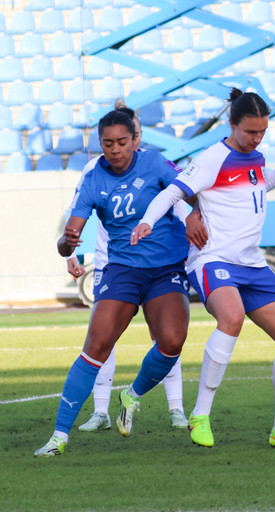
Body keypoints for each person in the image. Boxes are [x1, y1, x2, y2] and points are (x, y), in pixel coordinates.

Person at [131, 88, 275, 449]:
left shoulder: (255, 156)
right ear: (232, 124)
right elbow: (172, 193)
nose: (256, 138)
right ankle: (200, 415)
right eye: (250, 131)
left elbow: (257, 186)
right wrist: (147, 222)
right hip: (213, 258)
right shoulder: (211, 159)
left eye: (262, 132)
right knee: (231, 317)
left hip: (251, 262)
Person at [34, 107, 191, 457]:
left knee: (171, 341)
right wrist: (67, 244)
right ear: (100, 144)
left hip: (165, 269)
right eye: (108, 144)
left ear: (134, 139)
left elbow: (190, 190)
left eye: (122, 142)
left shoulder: (155, 163)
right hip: (122, 270)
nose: (116, 149)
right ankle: (59, 437)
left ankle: (132, 395)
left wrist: (195, 217)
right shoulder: (94, 178)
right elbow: (68, 238)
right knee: (96, 345)